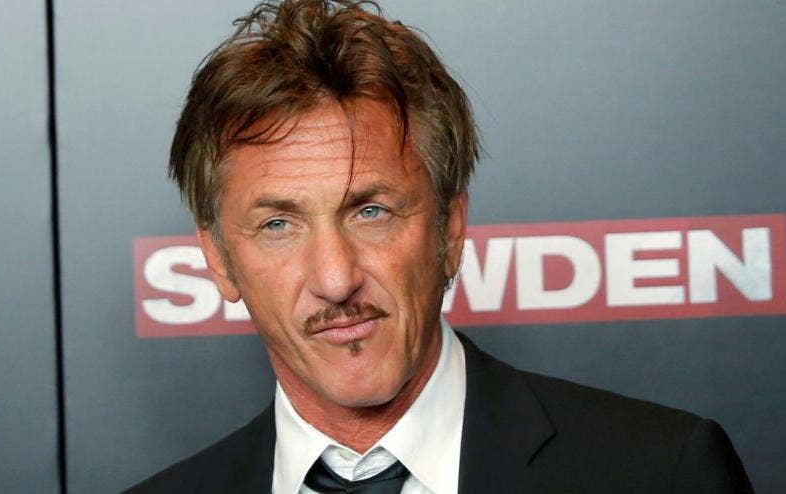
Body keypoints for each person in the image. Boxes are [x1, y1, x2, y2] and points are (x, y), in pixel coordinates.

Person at [127, 1, 753, 492]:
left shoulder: (661, 472)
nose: (336, 279)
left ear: (450, 231)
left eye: (370, 212)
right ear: (219, 260)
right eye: (278, 225)